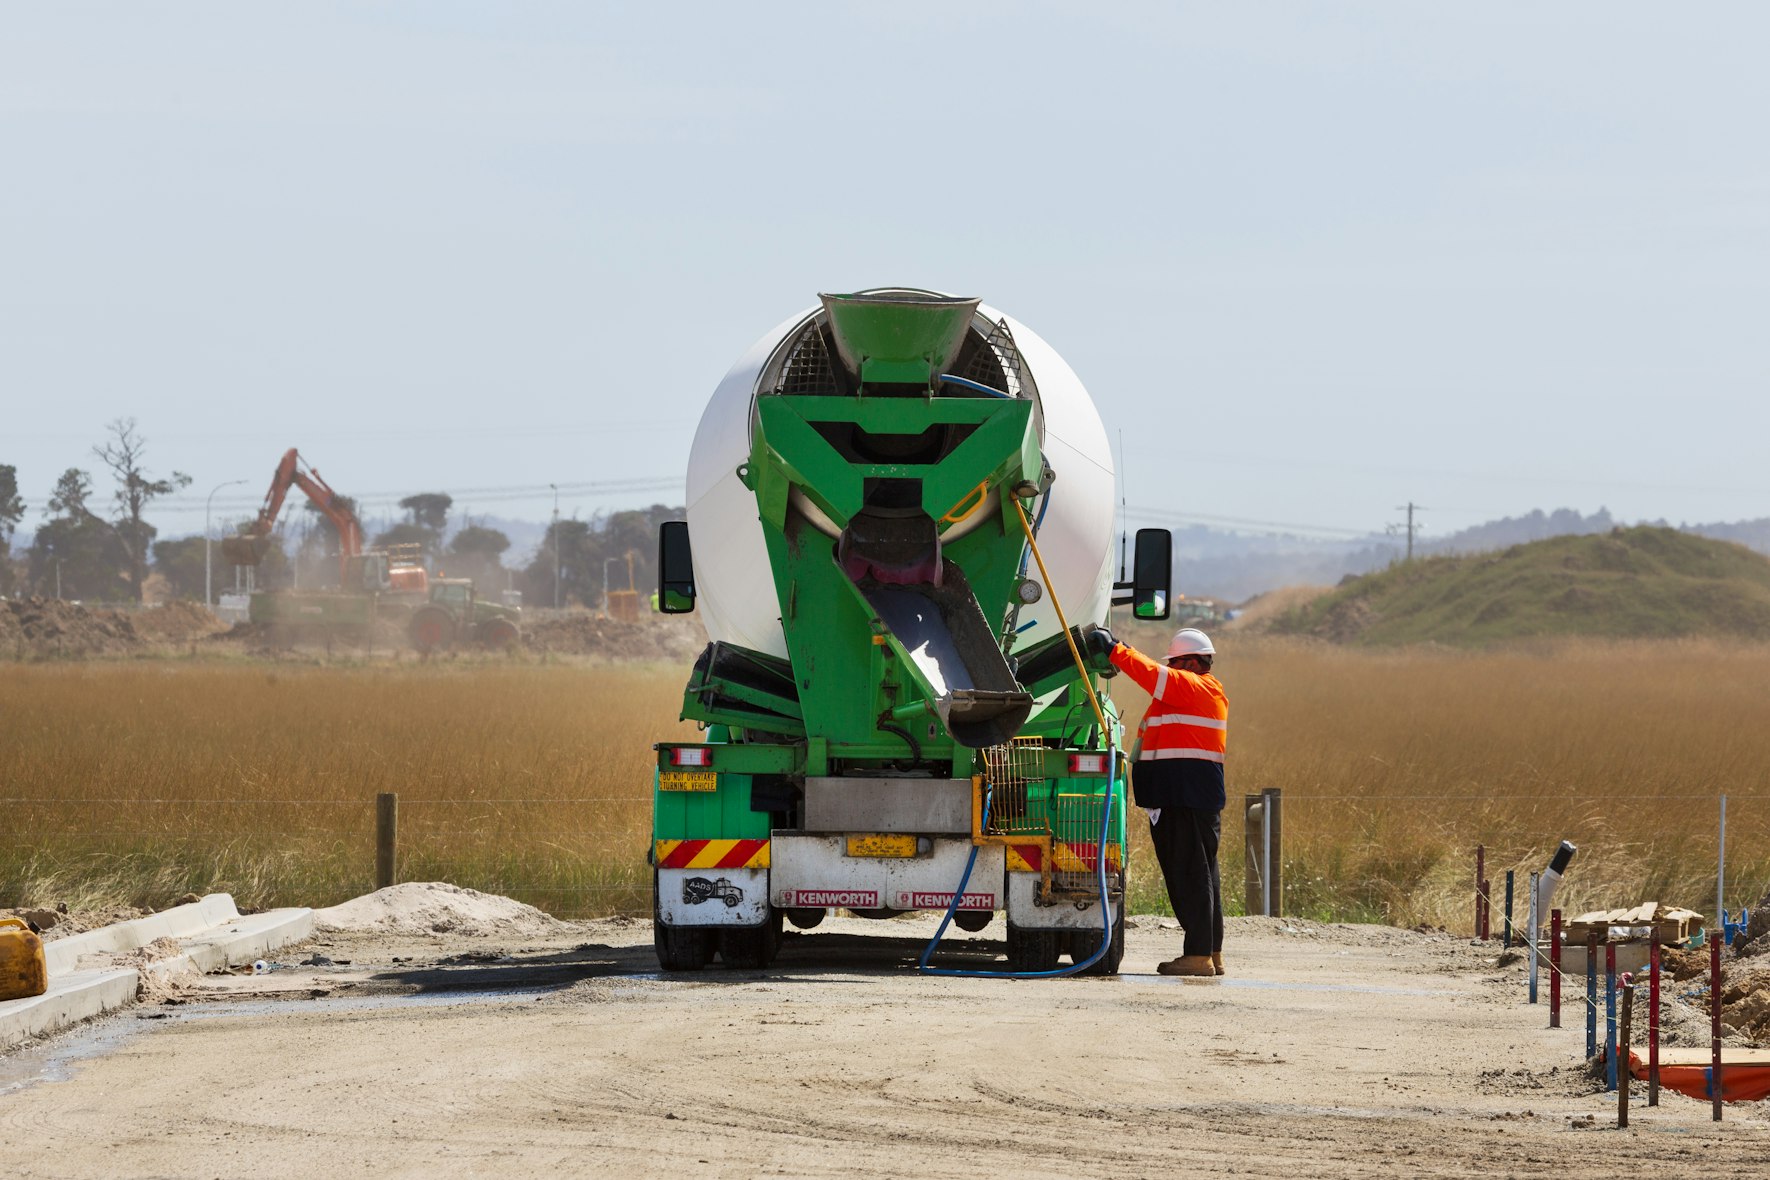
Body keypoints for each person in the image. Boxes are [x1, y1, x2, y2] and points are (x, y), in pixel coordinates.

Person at [1087, 625, 1228, 977]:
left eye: (1177, 662)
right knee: (1204, 873)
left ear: (1193, 663)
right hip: (1185, 795)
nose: (1173, 668)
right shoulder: (1190, 694)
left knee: (1189, 873)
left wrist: (1116, 649)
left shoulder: (1194, 687)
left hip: (1184, 795)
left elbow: (1152, 674)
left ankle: (1198, 956)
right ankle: (1210, 951)